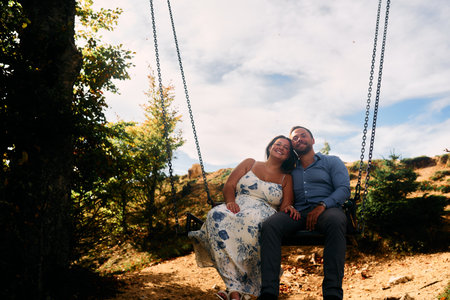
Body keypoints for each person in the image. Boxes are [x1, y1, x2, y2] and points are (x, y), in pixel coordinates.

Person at [189, 135, 300, 300]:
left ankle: (238, 291)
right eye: (278, 144)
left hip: (263, 213)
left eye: (286, 148)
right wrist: (230, 201)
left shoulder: (287, 177)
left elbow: (285, 206)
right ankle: (234, 288)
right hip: (238, 205)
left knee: (252, 227)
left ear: (289, 155)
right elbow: (230, 184)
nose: (281, 148)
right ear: (270, 147)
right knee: (216, 215)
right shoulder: (250, 163)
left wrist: (289, 208)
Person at [258, 126, 350, 300]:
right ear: (292, 145)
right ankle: (269, 292)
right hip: (298, 212)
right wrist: (287, 205)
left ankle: (332, 293)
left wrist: (323, 205)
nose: (299, 139)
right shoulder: (290, 169)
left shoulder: (331, 161)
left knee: (336, 221)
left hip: (326, 210)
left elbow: (344, 189)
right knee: (271, 225)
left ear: (313, 140)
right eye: (295, 138)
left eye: (303, 135)